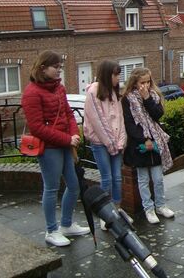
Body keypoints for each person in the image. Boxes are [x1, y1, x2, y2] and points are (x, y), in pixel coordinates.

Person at [21, 50, 90, 246]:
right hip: (49, 148)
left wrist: (74, 133)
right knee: (51, 188)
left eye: (60, 67)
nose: (59, 71)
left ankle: (66, 224)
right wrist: (66, 139)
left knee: (74, 184)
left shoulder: (58, 88)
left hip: (65, 144)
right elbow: (37, 128)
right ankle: (51, 230)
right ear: (43, 68)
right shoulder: (32, 93)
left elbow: (68, 113)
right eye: (56, 67)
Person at [122, 67, 174, 224]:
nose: (145, 85)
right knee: (143, 179)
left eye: (148, 82)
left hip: (156, 141)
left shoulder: (153, 95)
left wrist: (146, 98)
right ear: (135, 82)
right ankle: (148, 209)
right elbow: (129, 123)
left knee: (158, 178)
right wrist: (143, 139)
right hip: (139, 145)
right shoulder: (127, 99)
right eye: (142, 82)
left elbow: (157, 114)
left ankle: (161, 205)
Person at [83, 60, 127, 231]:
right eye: (115, 75)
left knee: (117, 177)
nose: (118, 78)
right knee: (106, 177)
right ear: (107, 74)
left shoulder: (114, 93)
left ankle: (117, 209)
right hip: (101, 143)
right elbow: (98, 122)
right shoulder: (94, 92)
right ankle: (105, 213)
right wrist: (111, 143)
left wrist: (120, 141)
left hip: (116, 143)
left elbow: (120, 118)